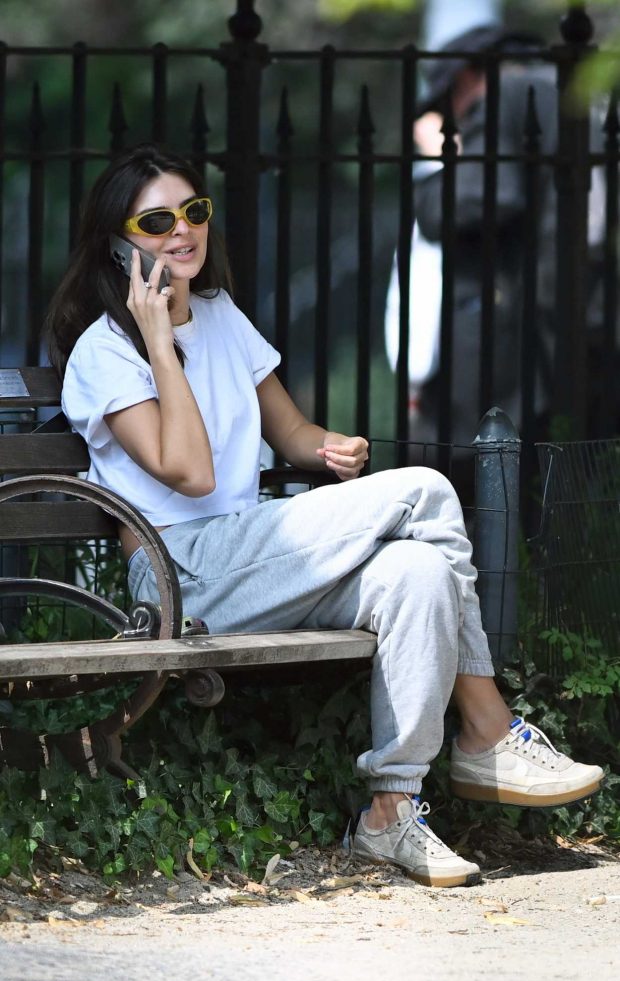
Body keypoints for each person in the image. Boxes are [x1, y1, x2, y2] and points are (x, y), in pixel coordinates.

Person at [46, 144, 603, 889]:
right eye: (156, 220)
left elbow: (292, 433)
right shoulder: (105, 353)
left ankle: (389, 812)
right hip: (180, 575)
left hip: (254, 558)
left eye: (194, 211)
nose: (182, 231)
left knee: (418, 572)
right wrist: (157, 338)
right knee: (429, 490)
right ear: (119, 243)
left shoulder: (220, 316)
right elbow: (191, 469)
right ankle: (488, 728)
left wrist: (331, 449)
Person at [386, 24, 606, 470]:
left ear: (468, 79)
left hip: (523, 342)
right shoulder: (577, 92)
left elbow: (468, 202)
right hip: (589, 318)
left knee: (495, 488)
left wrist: (438, 161)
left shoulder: (508, 94)